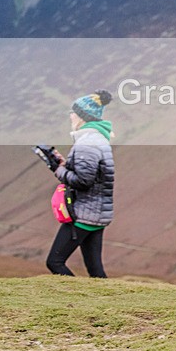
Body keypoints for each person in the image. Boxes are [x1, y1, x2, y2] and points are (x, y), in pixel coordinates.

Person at [45, 89, 115, 278]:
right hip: (96, 213)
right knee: (95, 269)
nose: (70, 115)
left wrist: (57, 169)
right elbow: (91, 174)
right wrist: (63, 164)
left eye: (73, 112)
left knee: (55, 262)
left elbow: (83, 181)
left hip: (84, 214)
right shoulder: (98, 139)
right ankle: (109, 303)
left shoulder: (88, 143)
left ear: (82, 117)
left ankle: (79, 302)